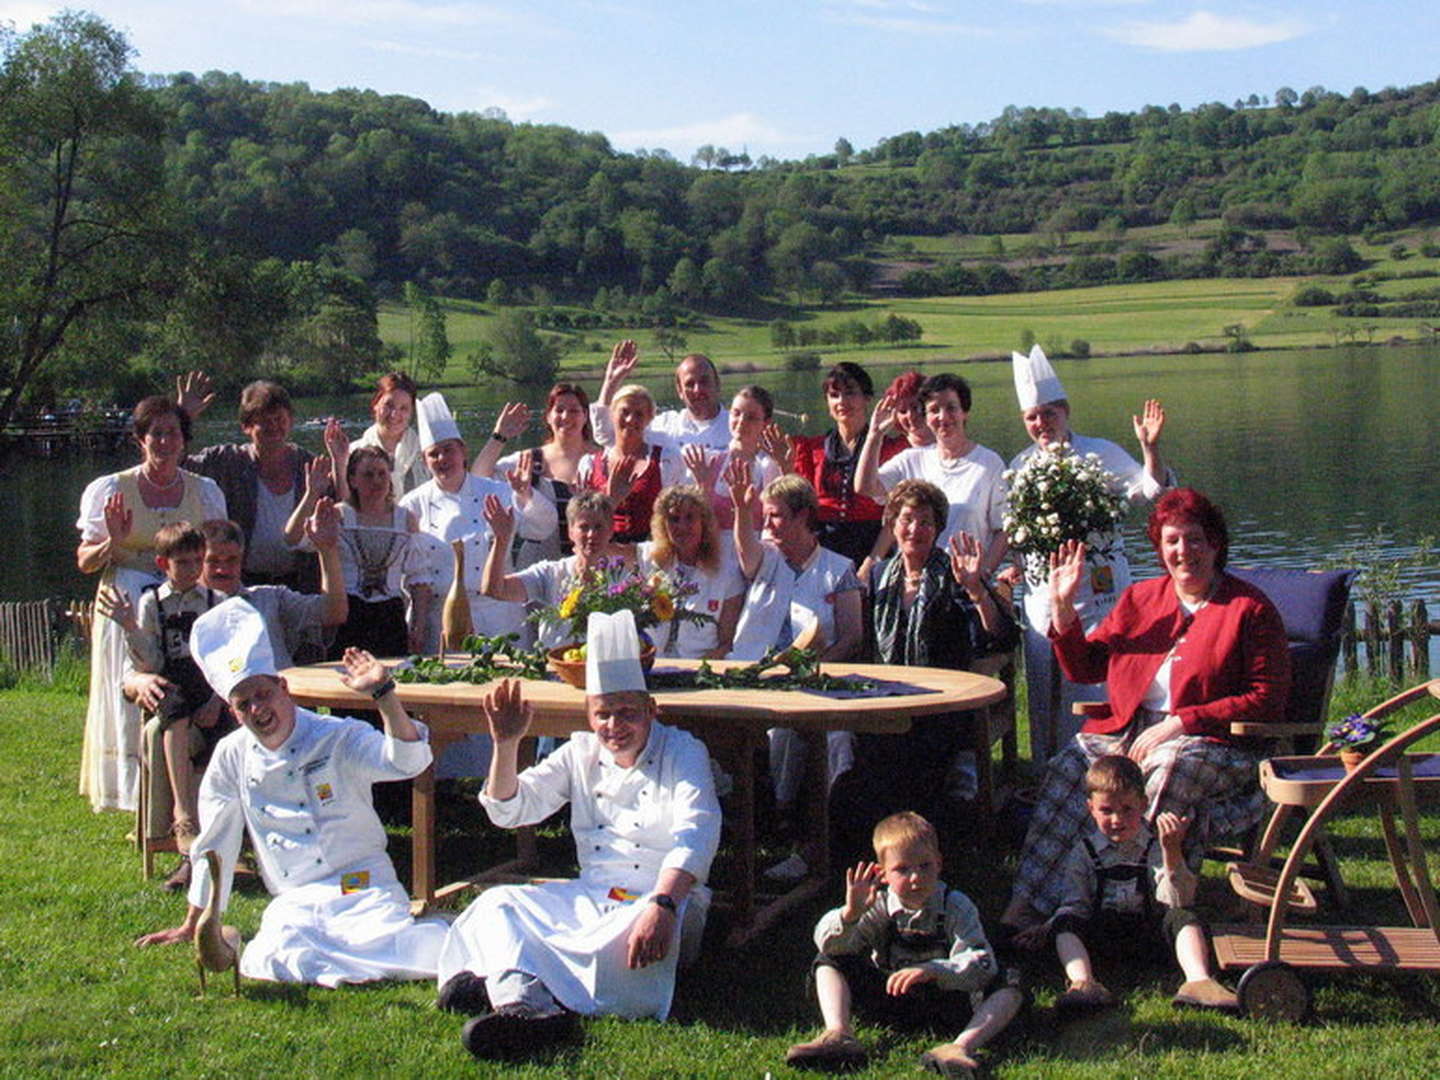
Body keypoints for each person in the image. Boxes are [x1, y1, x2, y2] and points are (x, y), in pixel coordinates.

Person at [435, 610, 720, 1061]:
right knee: (496, 903)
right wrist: (506, 745)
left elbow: (696, 832)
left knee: (615, 935)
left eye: (626, 713)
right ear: (589, 714)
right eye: (602, 714)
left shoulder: (683, 751)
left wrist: (662, 906)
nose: (613, 726)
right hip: (592, 896)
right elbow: (512, 809)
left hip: (664, 900)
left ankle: (507, 984)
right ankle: (525, 1009)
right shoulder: (580, 752)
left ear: (651, 709)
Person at [1002, 488, 1290, 933]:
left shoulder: (1248, 609)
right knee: (1067, 770)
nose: (1183, 551)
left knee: (1167, 767)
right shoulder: (1141, 600)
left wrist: (1181, 722)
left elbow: (1266, 698)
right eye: (1172, 541)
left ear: (1215, 544)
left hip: (1217, 743)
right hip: (1132, 732)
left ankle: (1141, 906)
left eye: (1194, 539)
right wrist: (1062, 610)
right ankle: (1034, 902)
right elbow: (1085, 665)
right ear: (1160, 548)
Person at [134, 600, 448, 986]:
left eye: (263, 694)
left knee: (381, 937)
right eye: (244, 704)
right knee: (275, 952)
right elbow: (215, 845)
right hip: (298, 896)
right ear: (234, 713)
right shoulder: (231, 758)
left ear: (283, 688)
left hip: (360, 882)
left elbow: (408, 762)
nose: (257, 709)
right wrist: (195, 921)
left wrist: (384, 694)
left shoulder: (337, 736)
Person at [830, 481, 1018, 862]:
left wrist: (977, 591)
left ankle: (920, 851)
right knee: (856, 773)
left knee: (913, 768)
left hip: (941, 708)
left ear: (938, 529)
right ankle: (861, 857)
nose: (915, 529)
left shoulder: (954, 574)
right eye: (907, 520)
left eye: (926, 522)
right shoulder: (880, 577)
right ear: (892, 524)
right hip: (885, 702)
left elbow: (999, 638)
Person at [1008, 345, 1174, 762]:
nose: (1042, 423)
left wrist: (1150, 450)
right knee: (1048, 683)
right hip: (1044, 594)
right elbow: (1013, 533)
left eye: (1050, 413)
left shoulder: (1099, 453)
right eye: (1033, 416)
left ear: (1065, 412)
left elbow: (1149, 491)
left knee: (1101, 675)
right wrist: (1010, 567)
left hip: (1100, 589)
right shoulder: (1021, 466)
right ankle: (1050, 769)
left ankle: (1111, 764)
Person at [76, 394, 227, 812]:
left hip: (185, 605)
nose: (165, 442)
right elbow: (85, 562)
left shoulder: (205, 491)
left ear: (184, 440)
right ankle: (137, 797)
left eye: (173, 433)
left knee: (180, 692)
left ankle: (184, 788)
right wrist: (114, 541)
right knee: (134, 694)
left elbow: (217, 554)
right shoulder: (111, 489)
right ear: (141, 440)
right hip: (126, 604)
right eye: (156, 433)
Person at [785, 812, 1022, 1078]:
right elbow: (830, 945)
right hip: (890, 997)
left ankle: (959, 1048)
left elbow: (981, 962)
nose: (915, 878)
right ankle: (838, 1034)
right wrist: (850, 914)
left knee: (1008, 982)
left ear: (939, 864)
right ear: (882, 874)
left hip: (945, 1001)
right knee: (828, 960)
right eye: (902, 869)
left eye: (924, 866)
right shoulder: (878, 905)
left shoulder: (956, 905)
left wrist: (934, 970)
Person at [1036, 756, 1239, 1015]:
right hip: (1103, 939)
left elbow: (1178, 900)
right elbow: (1075, 904)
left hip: (1147, 936)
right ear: (1091, 808)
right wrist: (1048, 925)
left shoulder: (1155, 846)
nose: (1117, 820)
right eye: (1107, 811)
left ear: (1143, 805)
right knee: (1066, 922)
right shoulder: (1084, 852)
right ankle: (1083, 983)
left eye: (1127, 810)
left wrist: (1172, 852)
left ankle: (1199, 982)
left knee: (1184, 916)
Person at [94, 522, 229, 867]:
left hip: (208, 683)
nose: (193, 569)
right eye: (183, 562)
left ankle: (228, 832)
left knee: (222, 721)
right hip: (172, 683)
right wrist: (130, 629)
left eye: (198, 561)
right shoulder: (151, 603)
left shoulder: (216, 601)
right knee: (174, 707)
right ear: (163, 564)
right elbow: (151, 663)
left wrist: (216, 699)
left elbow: (226, 659)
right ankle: (182, 814)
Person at [399, 392, 557, 651]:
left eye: (448, 450)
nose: (442, 459)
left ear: (463, 451)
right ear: (424, 462)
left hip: (499, 616)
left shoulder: (497, 491)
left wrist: (526, 494)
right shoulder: (411, 505)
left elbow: (543, 527)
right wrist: (416, 623)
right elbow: (411, 573)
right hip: (440, 620)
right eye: (434, 454)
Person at [181, 377, 344, 590]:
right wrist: (182, 417)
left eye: (280, 419)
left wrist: (340, 462)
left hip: (301, 583)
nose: (274, 427)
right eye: (265, 421)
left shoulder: (308, 464)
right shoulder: (225, 461)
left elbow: (342, 508)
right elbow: (177, 465)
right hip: (242, 583)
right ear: (246, 427)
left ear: (291, 421)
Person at [287, 446, 433, 659]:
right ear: (353, 480)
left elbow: (418, 578)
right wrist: (311, 494)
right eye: (368, 474)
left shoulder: (405, 519)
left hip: (389, 616)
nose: (376, 481)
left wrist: (418, 625)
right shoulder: (339, 514)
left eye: (382, 474)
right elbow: (292, 539)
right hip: (346, 612)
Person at [854, 373, 1008, 573]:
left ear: (965, 412)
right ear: (926, 417)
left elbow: (1004, 529)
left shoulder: (989, 463)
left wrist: (983, 574)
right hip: (913, 581)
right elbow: (865, 487)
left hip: (965, 583)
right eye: (934, 410)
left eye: (951, 408)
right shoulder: (911, 459)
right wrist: (875, 435)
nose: (943, 417)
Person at [480, 490, 633, 652]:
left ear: (611, 531)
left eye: (599, 527)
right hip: (555, 670)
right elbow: (494, 589)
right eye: (584, 527)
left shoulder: (626, 581)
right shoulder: (550, 573)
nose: (591, 535)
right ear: (571, 532)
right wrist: (501, 540)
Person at [788, 361, 906, 567]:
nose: (842, 401)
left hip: (873, 544)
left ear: (866, 398)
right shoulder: (811, 449)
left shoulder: (889, 448)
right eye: (834, 395)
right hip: (823, 548)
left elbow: (895, 512)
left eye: (850, 393)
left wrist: (872, 561)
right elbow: (804, 508)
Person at [471, 382, 599, 561]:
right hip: (539, 568)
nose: (566, 416)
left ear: (585, 416)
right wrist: (499, 435)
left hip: (595, 564)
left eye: (574, 411)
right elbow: (478, 478)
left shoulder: (602, 459)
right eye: (559, 410)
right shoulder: (530, 461)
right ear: (548, 416)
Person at [637, 485, 745, 660]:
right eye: (674, 519)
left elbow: (726, 644)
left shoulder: (728, 573)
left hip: (699, 671)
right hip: (652, 666)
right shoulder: (648, 558)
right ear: (663, 525)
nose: (682, 526)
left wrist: (695, 672)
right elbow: (604, 548)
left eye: (690, 518)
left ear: (704, 522)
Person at [579, 383, 685, 543]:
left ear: (649, 418)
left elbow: (676, 516)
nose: (630, 420)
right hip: (603, 557)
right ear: (612, 414)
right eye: (625, 412)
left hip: (651, 555)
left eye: (639, 414)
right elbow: (581, 523)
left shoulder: (665, 461)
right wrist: (611, 498)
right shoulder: (590, 464)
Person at [681, 384, 786, 532]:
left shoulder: (768, 467)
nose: (741, 421)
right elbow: (690, 523)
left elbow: (778, 523)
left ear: (766, 423)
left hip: (755, 550)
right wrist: (703, 486)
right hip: (713, 550)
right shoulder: (709, 461)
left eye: (751, 417)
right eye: (736, 413)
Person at [590, 339, 730, 450]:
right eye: (689, 384)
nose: (697, 390)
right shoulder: (664, 426)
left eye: (704, 381)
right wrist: (611, 382)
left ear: (717, 383)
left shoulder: (738, 426)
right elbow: (608, 436)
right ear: (680, 390)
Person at [349, 371, 428, 498]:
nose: (394, 415)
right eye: (389, 405)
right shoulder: (351, 454)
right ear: (375, 404)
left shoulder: (426, 453)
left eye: (403, 408)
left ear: (412, 412)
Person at [882, 370, 935, 449]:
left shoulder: (954, 444)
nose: (910, 415)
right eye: (903, 411)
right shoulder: (888, 451)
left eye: (916, 408)